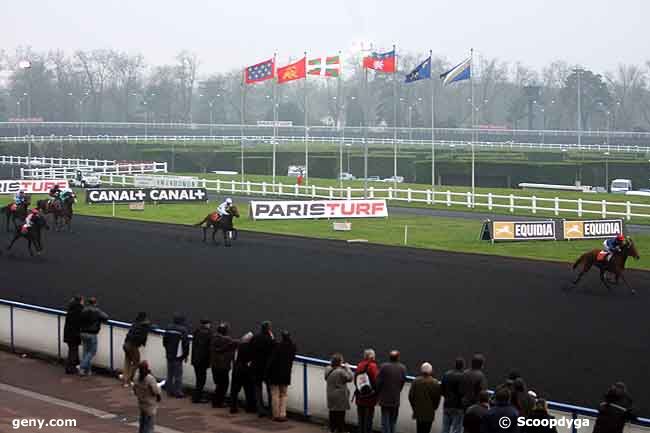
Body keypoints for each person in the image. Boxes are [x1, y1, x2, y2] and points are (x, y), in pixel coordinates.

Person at [266, 330, 297, 422]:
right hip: (286, 374)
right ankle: (283, 414)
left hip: (275, 374)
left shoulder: (277, 346)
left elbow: (271, 360)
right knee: (283, 394)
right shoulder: (293, 347)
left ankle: (275, 415)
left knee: (275, 394)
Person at [376, 350, 407, 433]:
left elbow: (378, 383)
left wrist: (378, 394)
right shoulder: (402, 368)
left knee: (385, 421)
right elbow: (402, 382)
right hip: (395, 399)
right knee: (393, 421)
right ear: (398, 358)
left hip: (384, 399)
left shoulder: (383, 367)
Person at [210, 322, 239, 408]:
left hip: (215, 365)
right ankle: (218, 402)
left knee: (218, 384)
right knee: (224, 385)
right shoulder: (227, 340)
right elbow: (238, 342)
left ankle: (215, 401)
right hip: (223, 366)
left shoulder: (213, 338)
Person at [250, 320, 275, 417]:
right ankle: (271, 410)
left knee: (257, 389)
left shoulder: (255, 338)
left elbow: (250, 349)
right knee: (270, 389)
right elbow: (274, 350)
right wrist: (272, 338)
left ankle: (260, 410)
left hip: (256, 367)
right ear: (269, 329)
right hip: (267, 368)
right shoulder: (270, 339)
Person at [408, 362, 442, 433]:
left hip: (418, 412)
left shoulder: (416, 381)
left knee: (419, 429)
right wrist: (434, 408)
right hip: (429, 413)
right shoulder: (435, 383)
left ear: (421, 370)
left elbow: (411, 396)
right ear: (431, 371)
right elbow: (437, 398)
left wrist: (414, 407)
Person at [78, 297, 108, 376]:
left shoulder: (83, 310)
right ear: (95, 303)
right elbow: (106, 317)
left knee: (85, 352)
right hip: (92, 334)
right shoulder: (97, 311)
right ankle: (82, 367)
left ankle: (87, 371)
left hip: (82, 333)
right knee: (92, 352)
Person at [162, 313, 190, 398]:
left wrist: (167, 350)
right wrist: (185, 355)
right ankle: (178, 392)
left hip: (169, 354)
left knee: (170, 374)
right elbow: (185, 344)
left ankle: (169, 391)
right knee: (178, 375)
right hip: (178, 356)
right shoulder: (183, 330)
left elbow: (164, 341)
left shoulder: (168, 328)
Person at [121, 312, 152, 387]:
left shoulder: (135, 323)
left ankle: (125, 380)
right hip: (133, 346)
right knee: (136, 362)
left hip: (126, 344)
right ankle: (128, 380)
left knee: (127, 362)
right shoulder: (145, 325)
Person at [325, 353, 353, 433]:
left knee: (332, 413)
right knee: (340, 415)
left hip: (330, 394)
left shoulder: (328, 369)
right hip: (340, 396)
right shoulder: (340, 372)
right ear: (340, 362)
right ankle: (340, 430)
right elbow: (350, 378)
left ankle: (332, 429)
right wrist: (348, 368)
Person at [133, 361, 162, 433]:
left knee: (142, 422)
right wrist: (158, 396)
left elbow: (135, 390)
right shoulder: (150, 378)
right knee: (149, 425)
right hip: (150, 404)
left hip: (141, 402)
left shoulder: (136, 377)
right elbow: (156, 391)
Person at [230, 331, 256, 414]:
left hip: (237, 370)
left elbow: (234, 358)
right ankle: (250, 408)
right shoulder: (252, 348)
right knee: (249, 391)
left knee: (234, 390)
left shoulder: (239, 346)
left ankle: (233, 407)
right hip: (247, 371)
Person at [354, 348, 380, 433]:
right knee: (368, 420)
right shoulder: (373, 366)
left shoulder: (359, 365)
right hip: (370, 398)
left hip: (360, 396)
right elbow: (376, 381)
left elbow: (355, 380)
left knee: (361, 419)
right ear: (371, 356)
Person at [441, 357, 465, 433]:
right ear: (463, 366)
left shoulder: (446, 374)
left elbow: (442, 390)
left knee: (445, 427)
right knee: (456, 429)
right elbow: (462, 392)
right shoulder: (464, 376)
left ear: (455, 365)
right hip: (458, 406)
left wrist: (447, 396)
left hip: (447, 404)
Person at [190, 319, 212, 403]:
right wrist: (209, 362)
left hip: (196, 360)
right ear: (207, 324)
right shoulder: (209, 333)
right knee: (201, 380)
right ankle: (197, 398)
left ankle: (196, 396)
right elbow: (209, 349)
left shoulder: (196, 331)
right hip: (203, 361)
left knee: (198, 379)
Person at [63, 295, 84, 374]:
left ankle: (74, 366)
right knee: (73, 351)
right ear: (80, 301)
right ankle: (71, 368)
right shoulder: (79, 310)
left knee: (72, 350)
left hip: (69, 333)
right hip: (74, 335)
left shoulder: (71, 308)